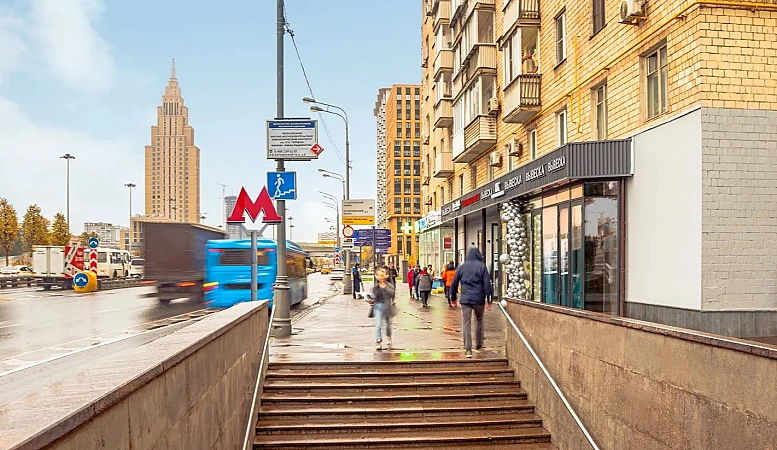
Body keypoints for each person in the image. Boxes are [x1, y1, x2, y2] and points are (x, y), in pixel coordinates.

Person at [450, 247, 493, 358]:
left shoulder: (462, 267)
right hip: (479, 299)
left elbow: (454, 283)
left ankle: (468, 349)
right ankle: (479, 344)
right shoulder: (482, 266)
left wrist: (453, 298)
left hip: (465, 300)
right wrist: (489, 299)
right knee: (479, 320)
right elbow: (487, 284)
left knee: (466, 323)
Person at [370, 267, 394, 350]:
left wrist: (385, 287)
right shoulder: (376, 287)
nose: (381, 278)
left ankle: (389, 336)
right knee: (378, 324)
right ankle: (378, 341)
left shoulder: (389, 285)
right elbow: (374, 297)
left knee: (387, 325)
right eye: (379, 276)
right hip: (378, 306)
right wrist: (371, 300)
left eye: (382, 275)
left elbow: (392, 294)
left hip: (386, 306)